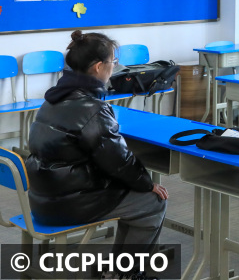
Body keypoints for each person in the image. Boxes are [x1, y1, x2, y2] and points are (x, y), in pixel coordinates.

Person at [26, 31, 169, 252]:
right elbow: (119, 161)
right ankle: (126, 268)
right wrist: (148, 184)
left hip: (42, 199)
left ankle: (120, 266)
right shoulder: (93, 109)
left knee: (130, 188)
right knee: (153, 201)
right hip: (69, 204)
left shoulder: (52, 98)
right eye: (113, 62)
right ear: (99, 67)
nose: (115, 67)